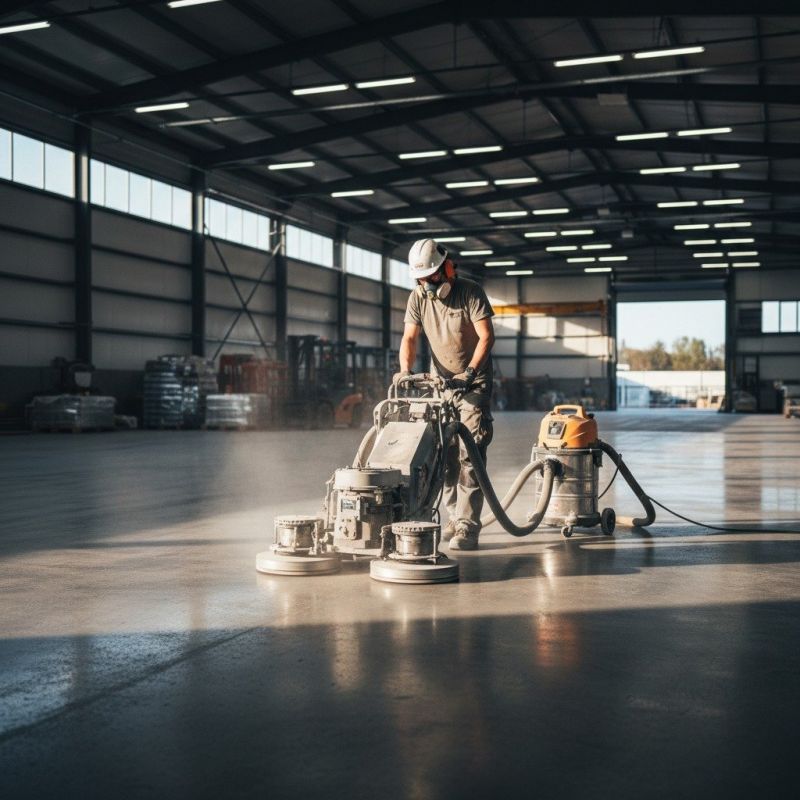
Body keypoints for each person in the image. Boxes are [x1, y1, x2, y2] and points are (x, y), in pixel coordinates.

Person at [395, 238, 495, 551]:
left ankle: (467, 526)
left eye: (431, 278)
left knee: (469, 454)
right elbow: (409, 337)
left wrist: (470, 373)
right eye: (420, 280)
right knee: (442, 453)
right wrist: (404, 370)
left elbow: (486, 336)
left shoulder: (470, 292)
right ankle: (452, 516)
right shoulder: (418, 298)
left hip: (472, 383)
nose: (426, 286)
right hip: (440, 384)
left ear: (447, 269)